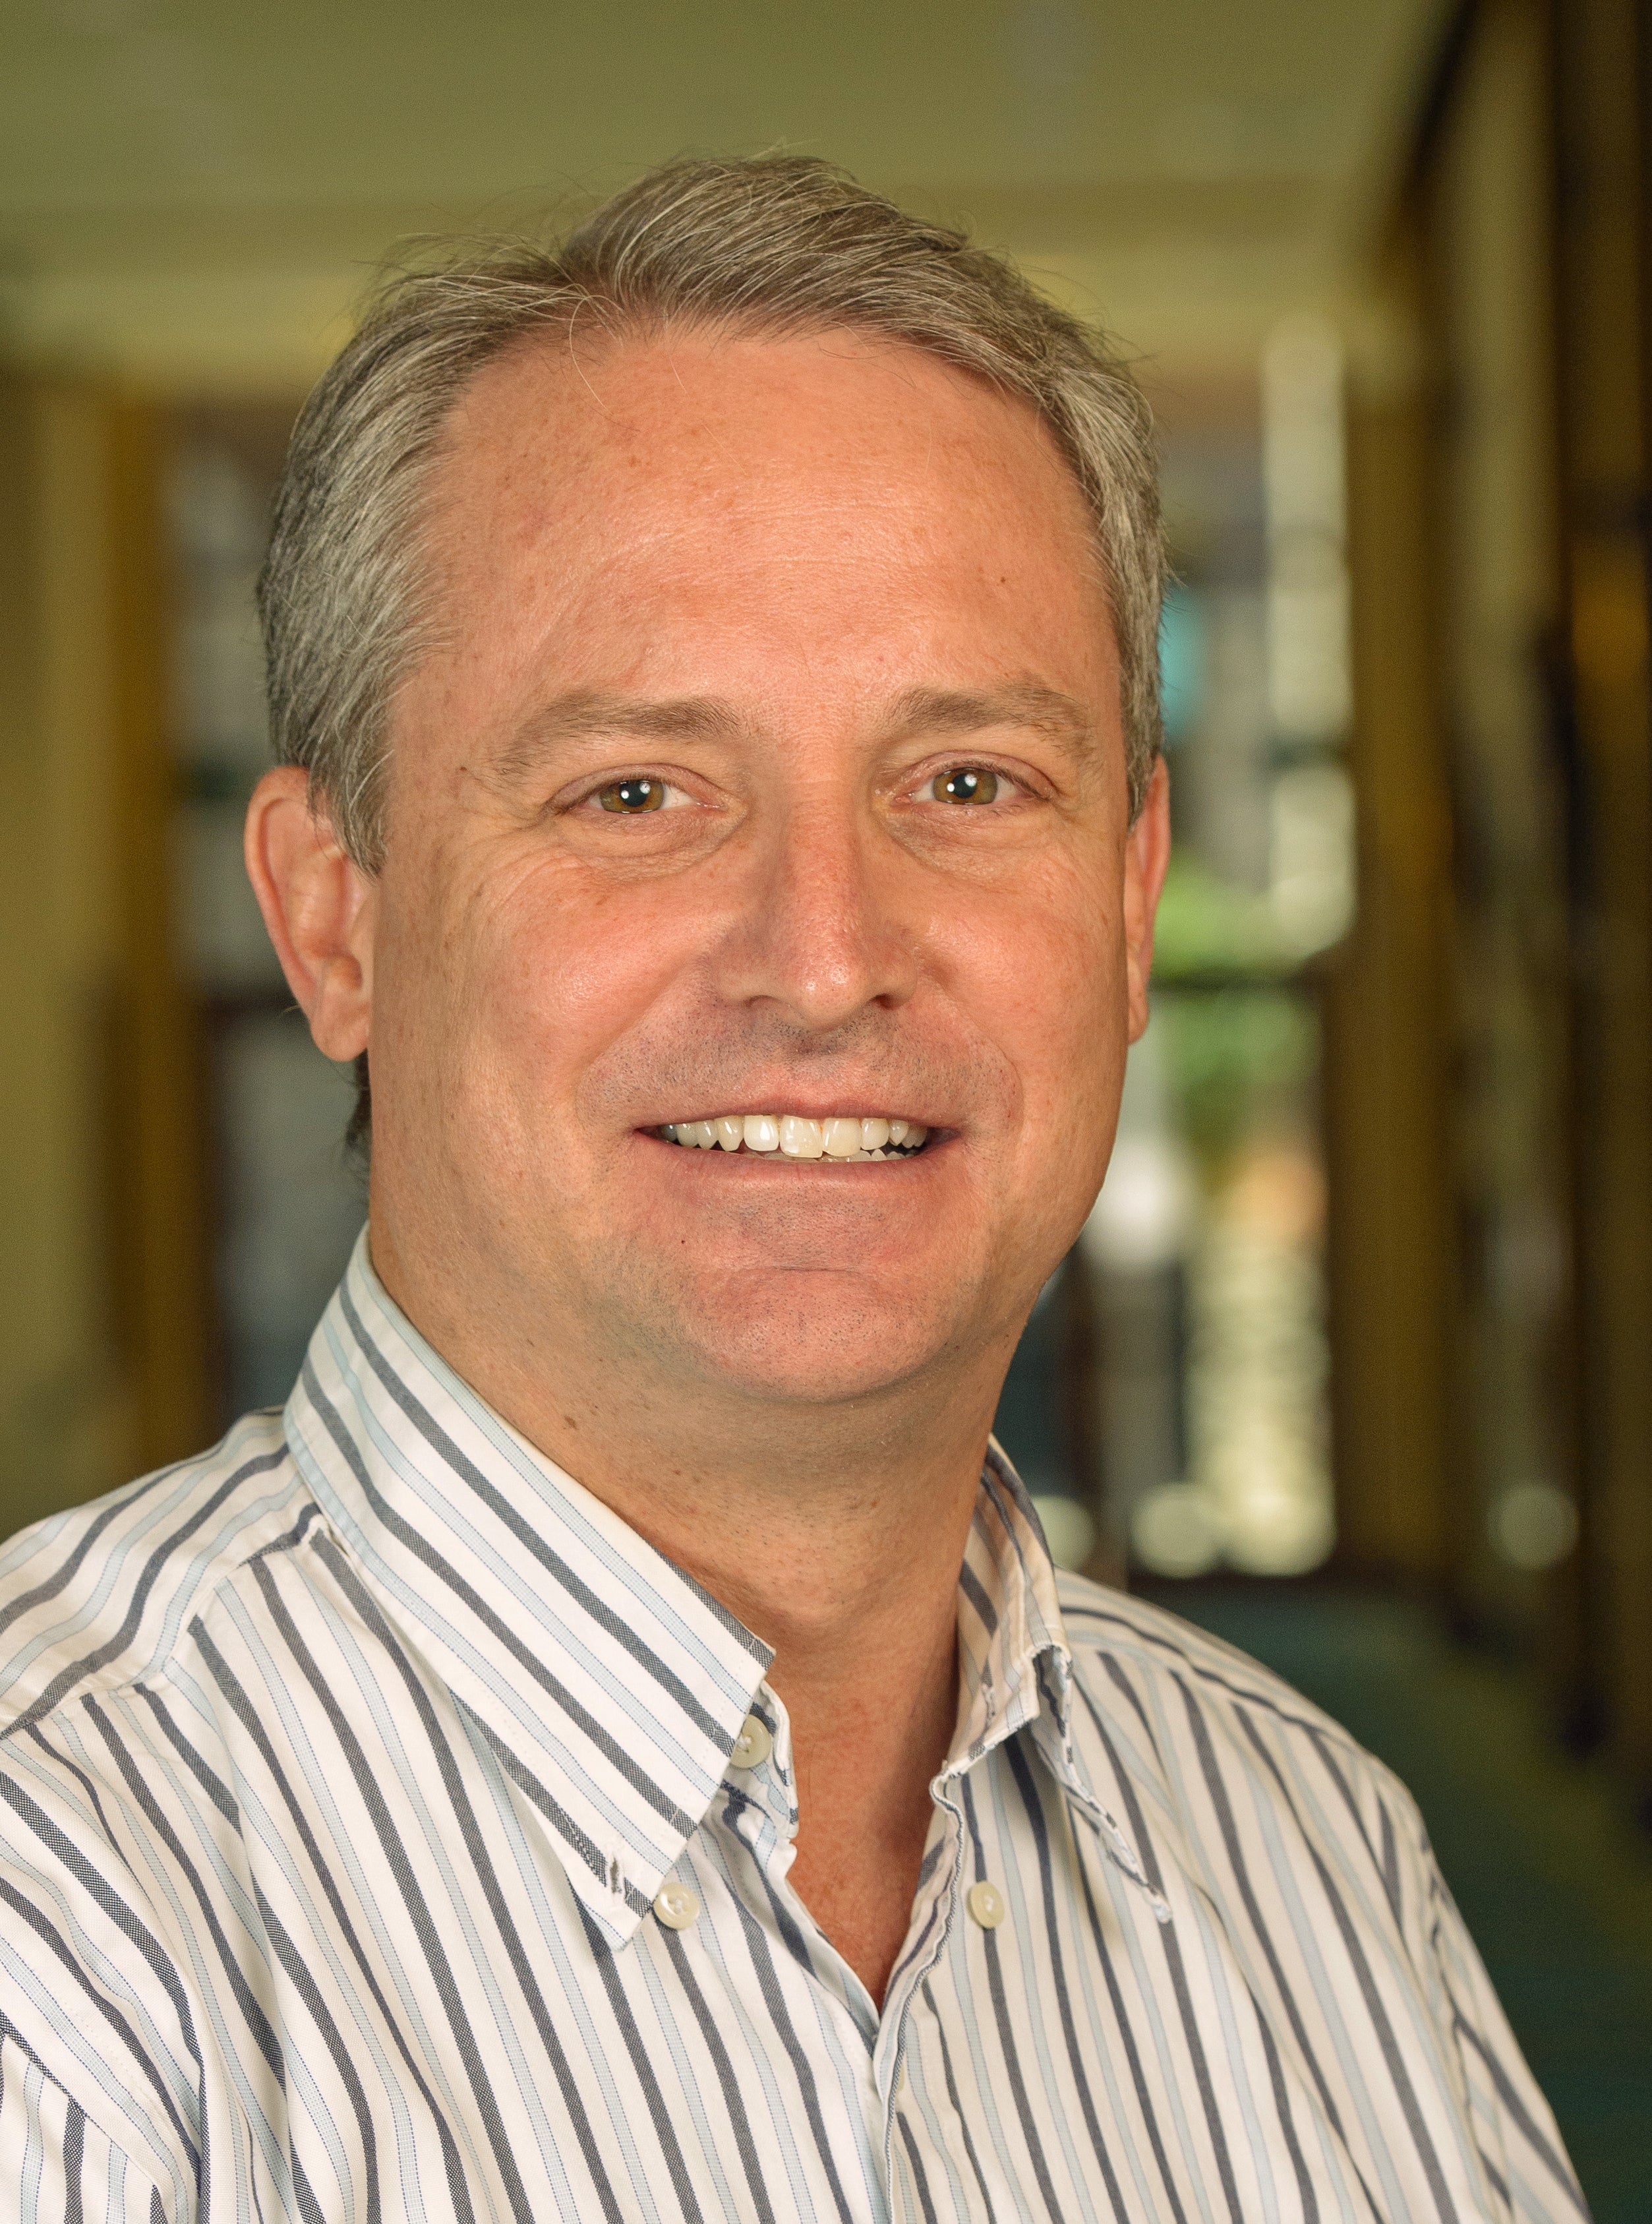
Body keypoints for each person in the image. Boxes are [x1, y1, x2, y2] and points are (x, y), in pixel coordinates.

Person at [0, 158, 1583, 2224]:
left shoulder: (1299, 1835)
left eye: (966, 785)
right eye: (636, 792)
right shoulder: (54, 1907)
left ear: (1126, 910)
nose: (825, 954)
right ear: (334, 920)